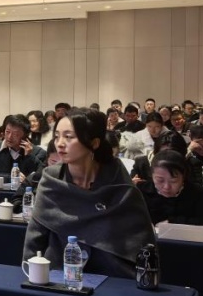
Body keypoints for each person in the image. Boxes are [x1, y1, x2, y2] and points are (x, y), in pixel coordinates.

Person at [23, 109, 155, 278]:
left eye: (69, 137)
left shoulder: (119, 182)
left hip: (114, 275)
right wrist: (31, 274)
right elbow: (35, 237)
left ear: (94, 143)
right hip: (60, 273)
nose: (60, 143)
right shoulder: (51, 179)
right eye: (57, 136)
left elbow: (141, 241)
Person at [138, 150, 203, 226]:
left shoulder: (200, 194)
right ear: (151, 175)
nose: (166, 187)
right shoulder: (139, 192)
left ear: (184, 176)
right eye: (160, 180)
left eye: (173, 181)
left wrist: (173, 222)